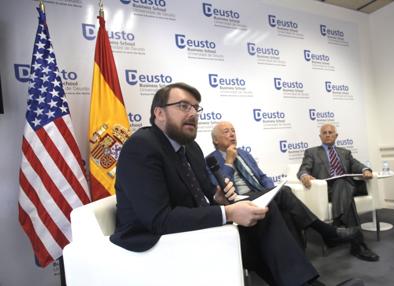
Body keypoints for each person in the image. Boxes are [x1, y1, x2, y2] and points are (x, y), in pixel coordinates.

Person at [110, 83, 364, 286]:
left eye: (196, 108)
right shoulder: (142, 146)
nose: (192, 114)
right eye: (183, 106)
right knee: (258, 227)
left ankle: (305, 282)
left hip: (190, 228)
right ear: (159, 113)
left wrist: (221, 198)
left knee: (267, 211)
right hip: (156, 240)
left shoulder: (191, 149)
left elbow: (207, 195)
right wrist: (227, 212)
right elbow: (158, 219)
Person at [208, 121, 360, 250]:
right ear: (215, 140)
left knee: (285, 206)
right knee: (285, 193)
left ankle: (299, 256)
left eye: (233, 131)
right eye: (226, 132)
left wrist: (272, 190)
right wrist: (228, 161)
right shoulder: (210, 160)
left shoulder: (244, 154)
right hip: (239, 202)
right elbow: (219, 191)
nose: (232, 134)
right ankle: (326, 231)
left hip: (259, 194)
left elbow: (261, 176)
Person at [297, 123, 379, 262]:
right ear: (320, 136)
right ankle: (358, 245)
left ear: (336, 136)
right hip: (327, 189)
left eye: (330, 132)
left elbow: (357, 165)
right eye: (324, 133)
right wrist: (304, 175)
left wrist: (365, 169)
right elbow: (304, 168)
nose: (327, 134)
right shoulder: (312, 152)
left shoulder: (345, 152)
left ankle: (336, 226)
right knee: (344, 187)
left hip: (346, 187)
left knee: (344, 183)